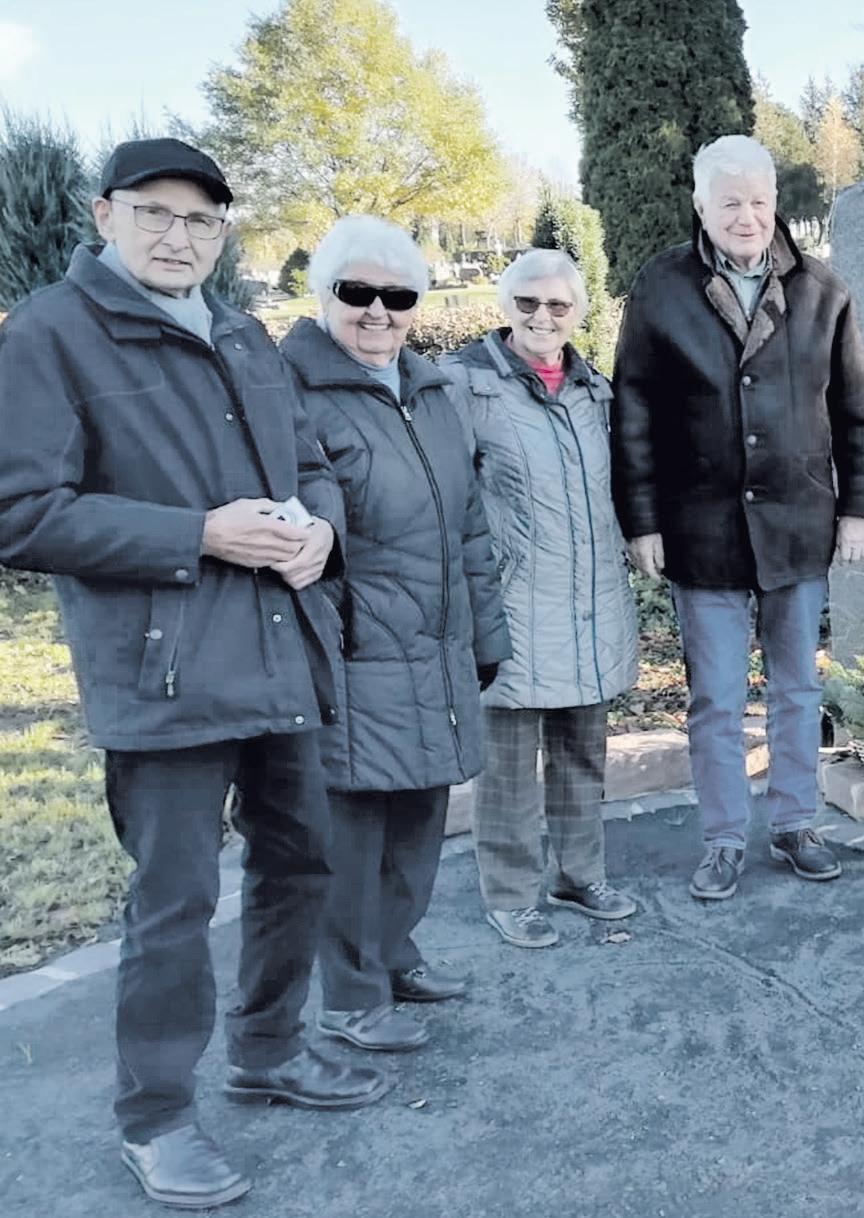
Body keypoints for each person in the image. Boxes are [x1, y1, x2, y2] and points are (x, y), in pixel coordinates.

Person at [0, 139, 387, 1210]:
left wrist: (322, 532)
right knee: (174, 902)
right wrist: (197, 534)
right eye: (156, 213)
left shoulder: (240, 331)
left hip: (279, 651)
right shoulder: (49, 334)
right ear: (104, 215)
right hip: (163, 674)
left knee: (299, 862)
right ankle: (157, 1118)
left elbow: (308, 462)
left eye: (201, 220)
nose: (179, 236)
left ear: (222, 233)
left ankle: (268, 1050)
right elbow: (19, 513)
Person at [611, 134, 864, 901]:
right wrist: (642, 521)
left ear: (775, 204)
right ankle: (724, 838)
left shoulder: (822, 291)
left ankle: (796, 824)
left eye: (759, 201)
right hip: (701, 531)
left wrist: (860, 508)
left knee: (797, 691)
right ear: (701, 207)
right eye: (730, 202)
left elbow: (857, 409)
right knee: (717, 699)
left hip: (799, 523)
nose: (747, 216)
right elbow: (633, 411)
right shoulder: (661, 288)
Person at [279, 217, 509, 1051]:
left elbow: (469, 526)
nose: (378, 311)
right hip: (353, 652)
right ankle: (350, 995)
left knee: (418, 817)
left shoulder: (434, 392)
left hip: (437, 649)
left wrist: (486, 636)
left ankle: (393, 955)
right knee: (354, 832)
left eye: (398, 295)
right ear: (324, 295)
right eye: (358, 292)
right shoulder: (292, 393)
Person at [443, 249, 641, 948]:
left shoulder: (596, 392)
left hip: (589, 601)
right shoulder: (464, 386)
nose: (542, 317)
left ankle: (578, 875)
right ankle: (510, 894)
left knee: (583, 753)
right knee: (507, 770)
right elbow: (448, 499)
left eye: (558, 305)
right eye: (527, 302)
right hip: (512, 605)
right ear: (506, 307)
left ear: (577, 312)